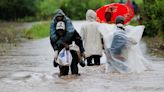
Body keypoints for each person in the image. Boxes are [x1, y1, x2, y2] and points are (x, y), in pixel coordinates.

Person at [50, 9, 85, 77]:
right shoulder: (54, 36)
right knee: (63, 74)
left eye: (62, 30)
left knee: (74, 73)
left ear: (65, 29)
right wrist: (56, 52)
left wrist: (82, 51)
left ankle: (80, 61)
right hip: (61, 53)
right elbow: (53, 43)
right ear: (56, 30)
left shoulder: (72, 32)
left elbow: (79, 40)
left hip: (72, 52)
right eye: (58, 31)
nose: (60, 32)